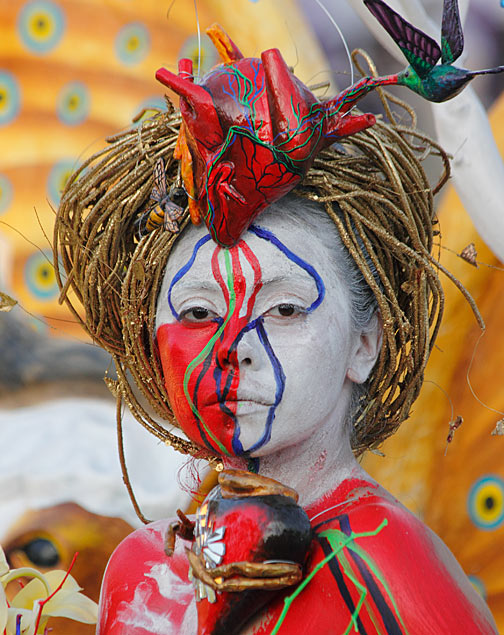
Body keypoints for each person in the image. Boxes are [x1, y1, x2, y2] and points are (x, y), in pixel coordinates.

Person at [54, 33, 497, 635]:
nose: (234, 346)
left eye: (286, 310)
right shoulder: (140, 570)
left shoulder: (384, 569)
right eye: (199, 314)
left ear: (364, 344)